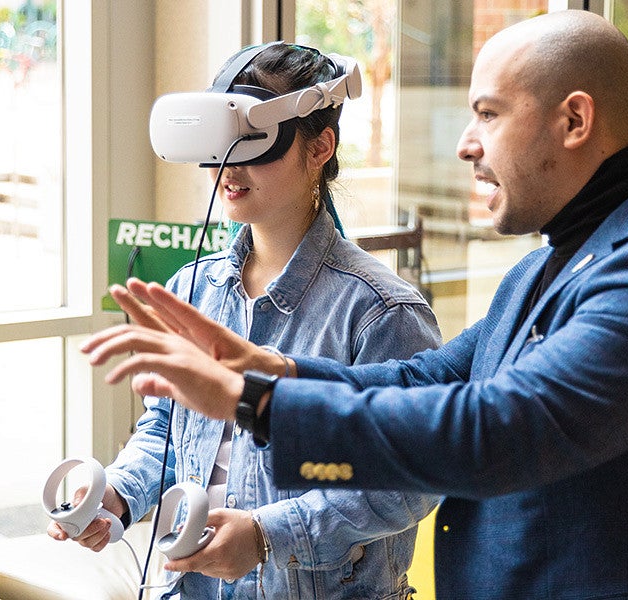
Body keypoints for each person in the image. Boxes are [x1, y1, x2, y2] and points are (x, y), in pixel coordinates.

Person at [82, 11, 628, 600]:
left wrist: (258, 404)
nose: (465, 143)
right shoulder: (546, 267)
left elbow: (501, 428)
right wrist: (269, 370)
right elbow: (427, 381)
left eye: (489, 114)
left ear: (574, 120)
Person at [50, 42, 442, 600]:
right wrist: (116, 495)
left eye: (252, 146)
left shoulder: (380, 312)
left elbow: (403, 482)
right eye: (218, 147)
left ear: (319, 148)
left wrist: (266, 535)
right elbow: (166, 429)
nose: (225, 170)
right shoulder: (194, 289)